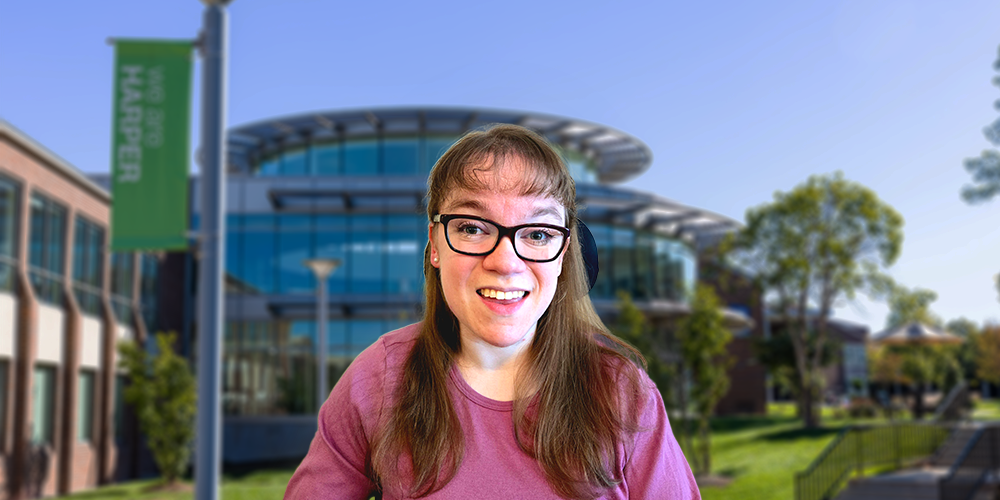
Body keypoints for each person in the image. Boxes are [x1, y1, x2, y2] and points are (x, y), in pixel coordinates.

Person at [285, 124, 700, 499]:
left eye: (537, 233)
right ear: (434, 244)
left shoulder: (621, 392)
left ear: (562, 256)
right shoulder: (378, 379)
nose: (505, 262)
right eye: (471, 227)